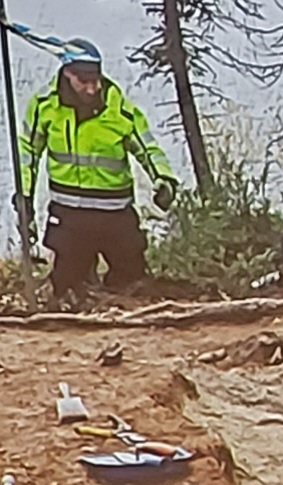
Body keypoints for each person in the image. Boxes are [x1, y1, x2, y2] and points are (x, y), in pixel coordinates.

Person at [19, 51, 177, 300]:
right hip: (69, 216)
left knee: (135, 285)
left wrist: (164, 179)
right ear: (67, 74)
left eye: (96, 80)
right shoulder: (45, 106)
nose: (92, 89)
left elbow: (148, 148)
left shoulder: (118, 108)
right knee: (66, 289)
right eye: (84, 82)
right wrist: (24, 196)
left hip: (115, 216)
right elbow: (27, 153)